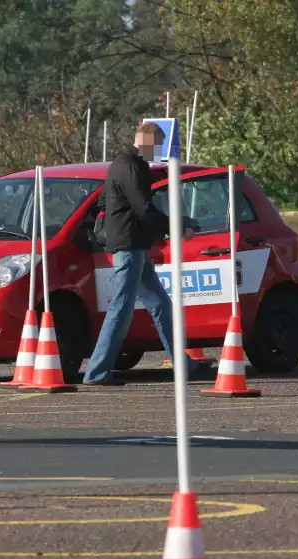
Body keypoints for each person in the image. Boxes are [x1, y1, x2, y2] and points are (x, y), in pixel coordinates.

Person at [83, 121, 203, 386]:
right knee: (121, 309)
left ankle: (183, 364)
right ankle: (97, 371)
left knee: (160, 304)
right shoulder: (131, 166)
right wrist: (178, 227)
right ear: (148, 142)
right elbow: (144, 208)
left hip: (133, 245)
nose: (159, 152)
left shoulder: (123, 164)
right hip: (129, 247)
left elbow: (107, 202)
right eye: (158, 146)